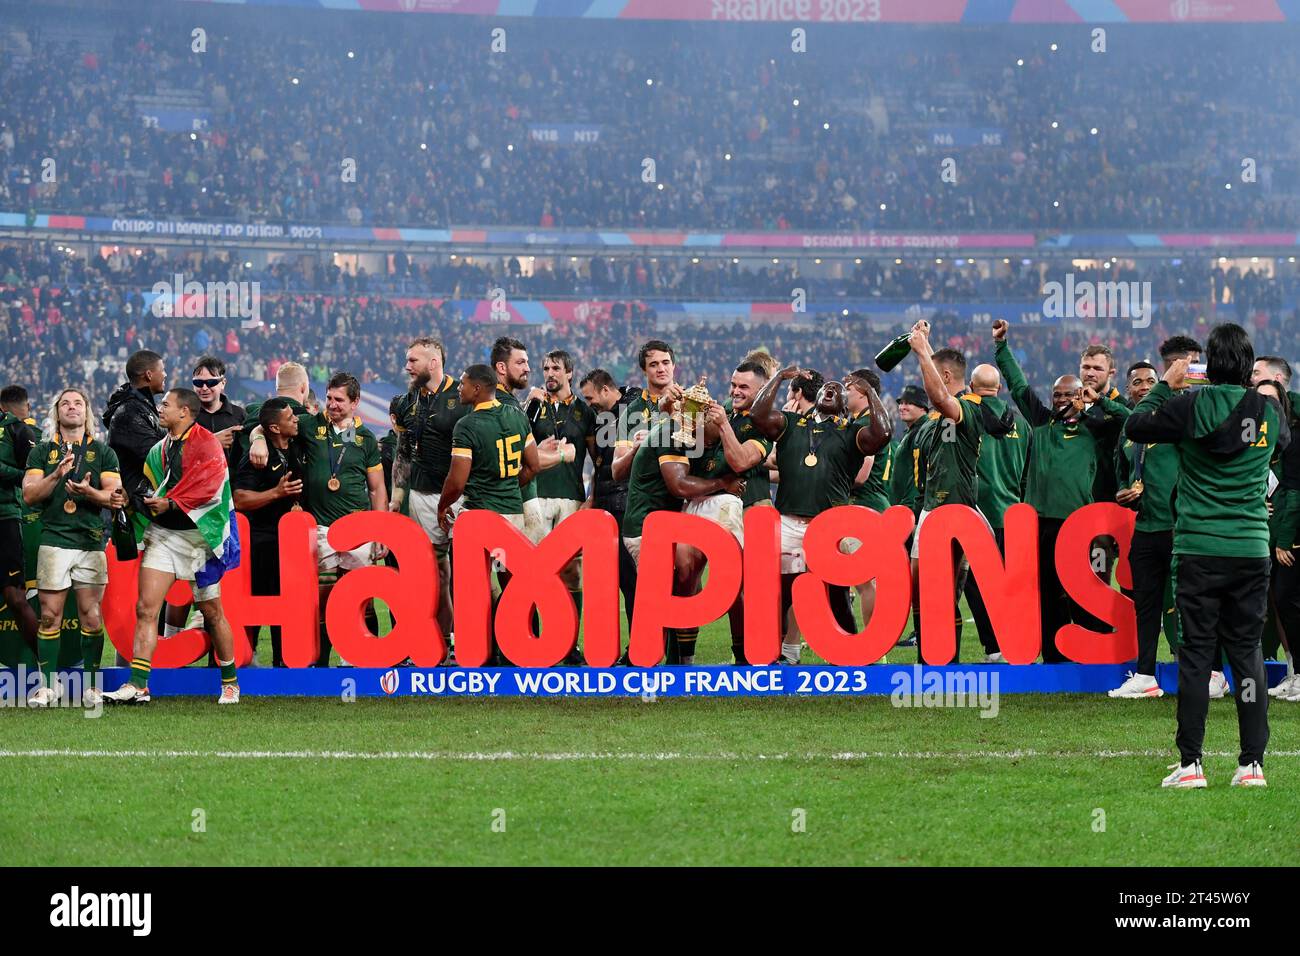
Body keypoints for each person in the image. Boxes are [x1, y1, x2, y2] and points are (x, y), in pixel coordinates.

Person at [1126, 323, 1289, 789]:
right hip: (1251, 547)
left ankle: (1192, 764)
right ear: (1247, 363)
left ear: (1207, 365)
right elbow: (1281, 446)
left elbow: (1135, 425)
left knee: (1196, 657)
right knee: (1248, 655)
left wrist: (1164, 385)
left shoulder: (1187, 406)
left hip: (1198, 547)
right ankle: (1251, 764)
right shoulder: (1270, 411)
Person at [992, 319, 1129, 661]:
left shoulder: (1097, 427)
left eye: (1070, 393)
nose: (1063, 399)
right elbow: (1018, 384)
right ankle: (1054, 658)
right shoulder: (1041, 422)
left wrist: (1101, 402)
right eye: (1058, 394)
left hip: (1083, 526)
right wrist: (1002, 347)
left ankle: (1097, 652)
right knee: (1048, 591)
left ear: (1082, 395)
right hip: (1041, 525)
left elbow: (1130, 421)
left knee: (1088, 590)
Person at [101, 388, 241, 705]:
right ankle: (138, 685)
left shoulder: (207, 444)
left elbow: (210, 490)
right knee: (145, 609)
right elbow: (152, 488)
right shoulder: (160, 449)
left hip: (200, 539)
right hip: (164, 536)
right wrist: (132, 501)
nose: (159, 409)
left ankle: (230, 682)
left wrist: (172, 504)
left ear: (184, 412)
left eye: (166, 405)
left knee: (212, 613)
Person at [750, 365, 889, 665]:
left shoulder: (852, 432)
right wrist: (778, 378)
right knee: (783, 589)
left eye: (839, 390)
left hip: (831, 524)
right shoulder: (790, 423)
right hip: (788, 519)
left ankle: (853, 649)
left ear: (844, 401)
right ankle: (782, 650)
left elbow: (883, 433)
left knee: (837, 590)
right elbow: (758, 414)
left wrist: (872, 392)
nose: (831, 391)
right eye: (827, 388)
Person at [261, 372, 388, 667]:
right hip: (320, 527)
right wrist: (257, 439)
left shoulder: (366, 439)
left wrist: (380, 530)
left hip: (357, 528)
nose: (331, 404)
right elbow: (266, 421)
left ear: (355, 402)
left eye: (339, 400)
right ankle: (321, 662)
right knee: (324, 597)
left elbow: (377, 488)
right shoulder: (309, 424)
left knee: (360, 598)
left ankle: (363, 657)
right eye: (329, 397)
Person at [1109, 338, 1204, 700]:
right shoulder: (1130, 430)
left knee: (1191, 605)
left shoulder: (1185, 414)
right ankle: (1146, 674)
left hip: (1183, 528)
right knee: (1146, 605)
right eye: (1139, 382)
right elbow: (1122, 475)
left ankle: (1204, 673)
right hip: (1146, 528)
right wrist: (1123, 494)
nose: (1147, 387)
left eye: (1153, 380)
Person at [621, 392, 744, 664]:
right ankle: (642, 657)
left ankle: (672, 659)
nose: (708, 445)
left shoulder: (676, 431)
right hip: (646, 527)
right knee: (660, 594)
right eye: (710, 438)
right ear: (698, 422)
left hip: (660, 525)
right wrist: (723, 483)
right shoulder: (672, 433)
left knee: (677, 586)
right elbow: (678, 486)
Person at [21, 388, 122, 705]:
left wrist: (88, 492)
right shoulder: (41, 452)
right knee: (49, 615)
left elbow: (115, 497)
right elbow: (29, 495)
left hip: (90, 542)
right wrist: (57, 475)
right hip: (53, 541)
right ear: (57, 413)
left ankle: (92, 685)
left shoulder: (104, 453)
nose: (72, 407)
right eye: (65, 403)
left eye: (78, 403)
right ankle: (49, 686)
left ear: (87, 412)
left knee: (91, 616)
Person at [437, 364, 541, 665]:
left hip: (479, 516)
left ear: (478, 389)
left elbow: (456, 481)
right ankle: (519, 650)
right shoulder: (518, 417)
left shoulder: (467, 426)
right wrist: (507, 485)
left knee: (472, 589)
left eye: (464, 384)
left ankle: (477, 654)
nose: (459, 388)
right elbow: (533, 466)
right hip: (512, 514)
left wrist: (443, 505)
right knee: (516, 586)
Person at [906, 321, 990, 664]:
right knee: (918, 588)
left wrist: (923, 349)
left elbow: (940, 395)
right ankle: (928, 655)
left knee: (945, 589)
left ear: (944, 374)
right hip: (930, 510)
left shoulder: (968, 410)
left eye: (929, 368)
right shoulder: (931, 424)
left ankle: (947, 658)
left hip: (957, 512)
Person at [391, 337, 466, 650]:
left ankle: (472, 642)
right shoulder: (404, 402)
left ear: (433, 363)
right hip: (421, 495)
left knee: (468, 571)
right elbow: (404, 451)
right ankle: (441, 641)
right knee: (435, 573)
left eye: (413, 361)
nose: (407, 367)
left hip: (461, 495)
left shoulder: (463, 396)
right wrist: (397, 497)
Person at [525, 350, 591, 662]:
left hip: (572, 496)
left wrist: (592, 499)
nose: (549, 373)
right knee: (535, 570)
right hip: (536, 496)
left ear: (569, 373)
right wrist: (528, 402)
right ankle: (536, 641)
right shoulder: (533, 407)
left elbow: (597, 458)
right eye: (546, 368)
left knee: (571, 571)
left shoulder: (584, 412)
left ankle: (570, 644)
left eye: (556, 368)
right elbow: (517, 444)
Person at [964, 363, 1030, 663]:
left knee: (975, 584)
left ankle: (994, 647)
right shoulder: (1022, 424)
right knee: (1012, 586)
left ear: (970, 387)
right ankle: (1016, 644)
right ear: (999, 389)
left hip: (978, 515)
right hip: (1013, 514)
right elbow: (1028, 473)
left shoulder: (966, 417)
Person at [232, 398, 304, 668]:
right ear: (274, 427)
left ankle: (283, 661)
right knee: (262, 600)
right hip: (262, 541)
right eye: (289, 417)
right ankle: (245, 658)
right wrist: (276, 493)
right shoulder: (256, 459)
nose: (295, 419)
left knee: (287, 602)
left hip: (290, 541)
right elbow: (239, 498)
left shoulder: (294, 447)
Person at [579, 368, 639, 648]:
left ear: (605, 390)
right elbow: (600, 462)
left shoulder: (635, 405)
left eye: (591, 397)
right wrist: (592, 498)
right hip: (604, 504)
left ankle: (639, 645)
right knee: (608, 581)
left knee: (631, 580)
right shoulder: (601, 417)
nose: (589, 403)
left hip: (626, 504)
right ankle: (608, 646)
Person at [0, 384, 40, 663]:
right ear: (23, 407)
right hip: (6, 520)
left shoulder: (19, 430)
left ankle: (45, 664)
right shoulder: (21, 428)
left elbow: (32, 476)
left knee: (15, 597)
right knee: (15, 598)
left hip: (6, 518)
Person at [191, 355, 246, 469]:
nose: (204, 388)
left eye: (211, 382)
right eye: (199, 383)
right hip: (195, 483)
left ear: (223, 383)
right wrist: (212, 442)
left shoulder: (239, 415)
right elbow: (174, 453)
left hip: (230, 484)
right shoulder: (184, 416)